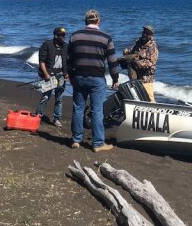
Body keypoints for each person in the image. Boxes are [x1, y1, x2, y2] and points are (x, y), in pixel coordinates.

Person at [67, 9, 119, 152]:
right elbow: (112, 62)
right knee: (97, 110)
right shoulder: (106, 38)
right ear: (98, 21)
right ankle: (98, 143)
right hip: (97, 78)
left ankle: (76, 139)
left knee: (78, 108)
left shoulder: (75, 36)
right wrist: (115, 79)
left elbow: (69, 59)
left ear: (85, 21)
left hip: (78, 77)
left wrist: (70, 75)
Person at [34, 26, 69, 126]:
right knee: (45, 97)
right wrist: (46, 74)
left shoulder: (66, 46)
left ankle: (56, 118)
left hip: (61, 75)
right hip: (49, 75)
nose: (62, 37)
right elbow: (42, 61)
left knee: (59, 98)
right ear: (55, 35)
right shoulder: (47, 44)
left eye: (64, 35)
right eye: (60, 35)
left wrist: (67, 73)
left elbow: (68, 61)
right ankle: (38, 115)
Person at [121, 25, 159, 102]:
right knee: (135, 98)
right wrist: (126, 52)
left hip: (146, 79)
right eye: (144, 32)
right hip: (135, 77)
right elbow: (130, 51)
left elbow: (150, 63)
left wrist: (135, 62)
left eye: (147, 33)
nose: (144, 34)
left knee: (150, 100)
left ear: (151, 35)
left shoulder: (153, 47)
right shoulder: (138, 43)